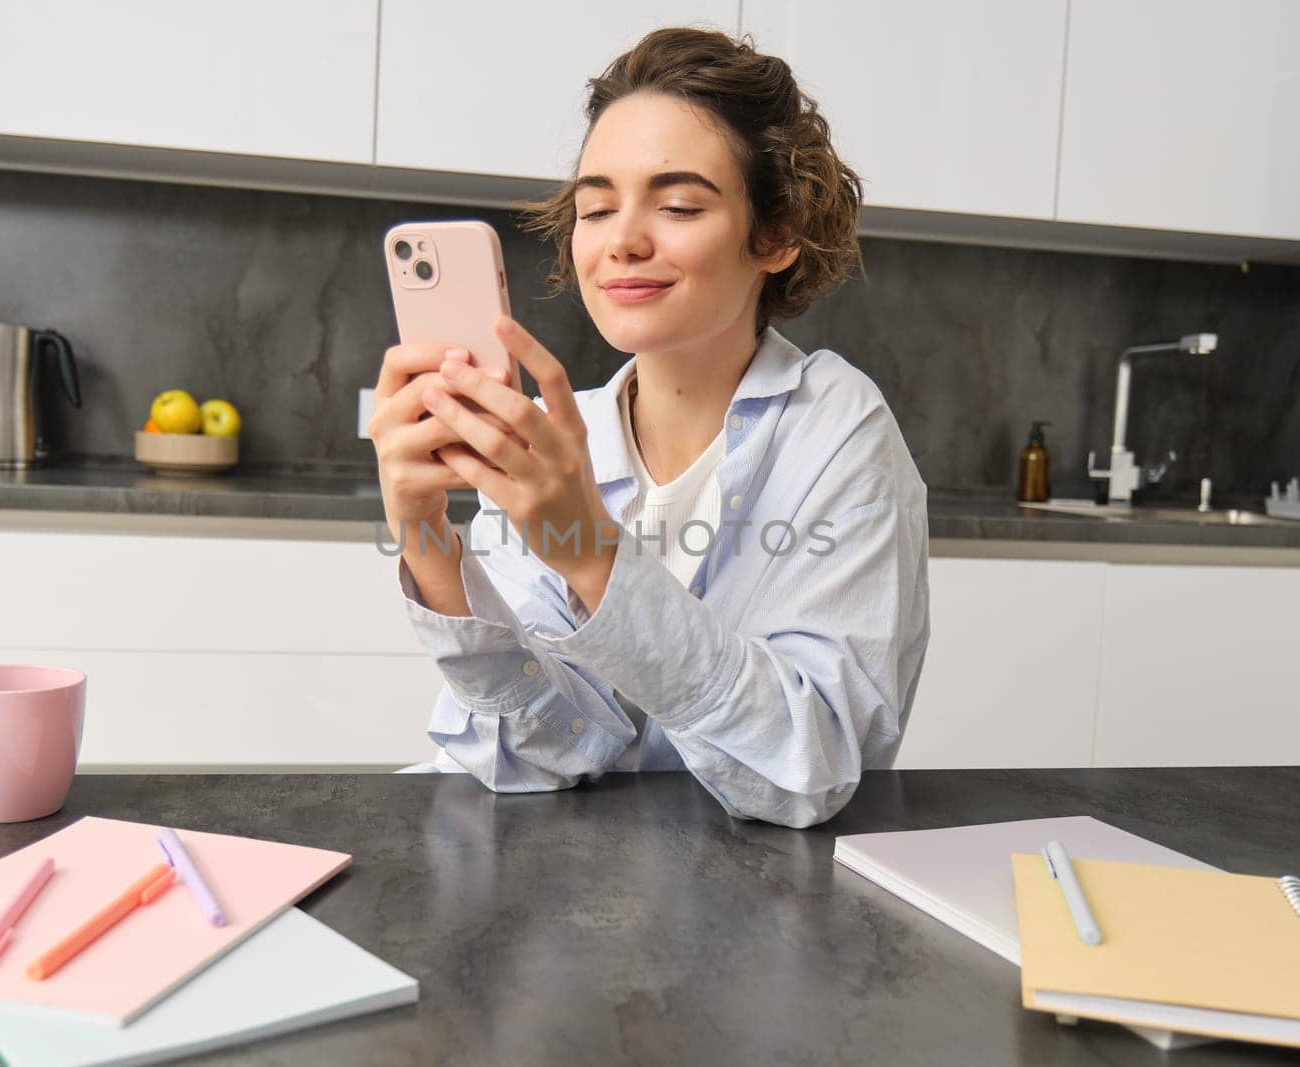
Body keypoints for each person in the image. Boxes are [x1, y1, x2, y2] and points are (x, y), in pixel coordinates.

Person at [368, 27, 929, 829]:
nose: (623, 240)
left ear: (775, 234)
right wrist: (425, 539)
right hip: (574, 891)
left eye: (677, 204)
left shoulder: (837, 429)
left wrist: (590, 552)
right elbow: (550, 748)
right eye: (597, 207)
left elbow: (811, 768)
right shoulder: (570, 437)